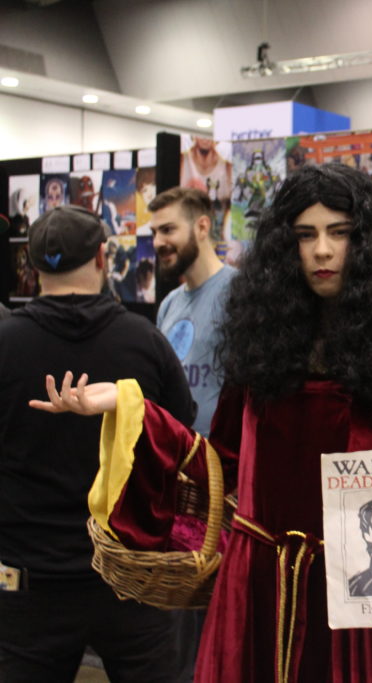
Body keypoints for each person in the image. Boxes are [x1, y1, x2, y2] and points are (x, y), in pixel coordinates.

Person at [31, 163, 372, 683]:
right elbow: (219, 466)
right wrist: (132, 410)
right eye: (305, 235)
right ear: (285, 245)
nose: (322, 250)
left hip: (362, 593)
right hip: (257, 585)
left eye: (340, 233)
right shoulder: (261, 345)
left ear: (368, 242)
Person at [0, 205, 194, 680]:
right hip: (131, 575)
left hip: (28, 581)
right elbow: (181, 438)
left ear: (32, 265)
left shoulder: (5, 342)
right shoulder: (145, 341)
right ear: (104, 257)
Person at [151, 187, 237, 438]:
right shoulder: (169, 304)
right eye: (154, 233)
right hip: (177, 451)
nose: (157, 242)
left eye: (168, 230)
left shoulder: (239, 292)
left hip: (220, 452)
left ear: (202, 227)